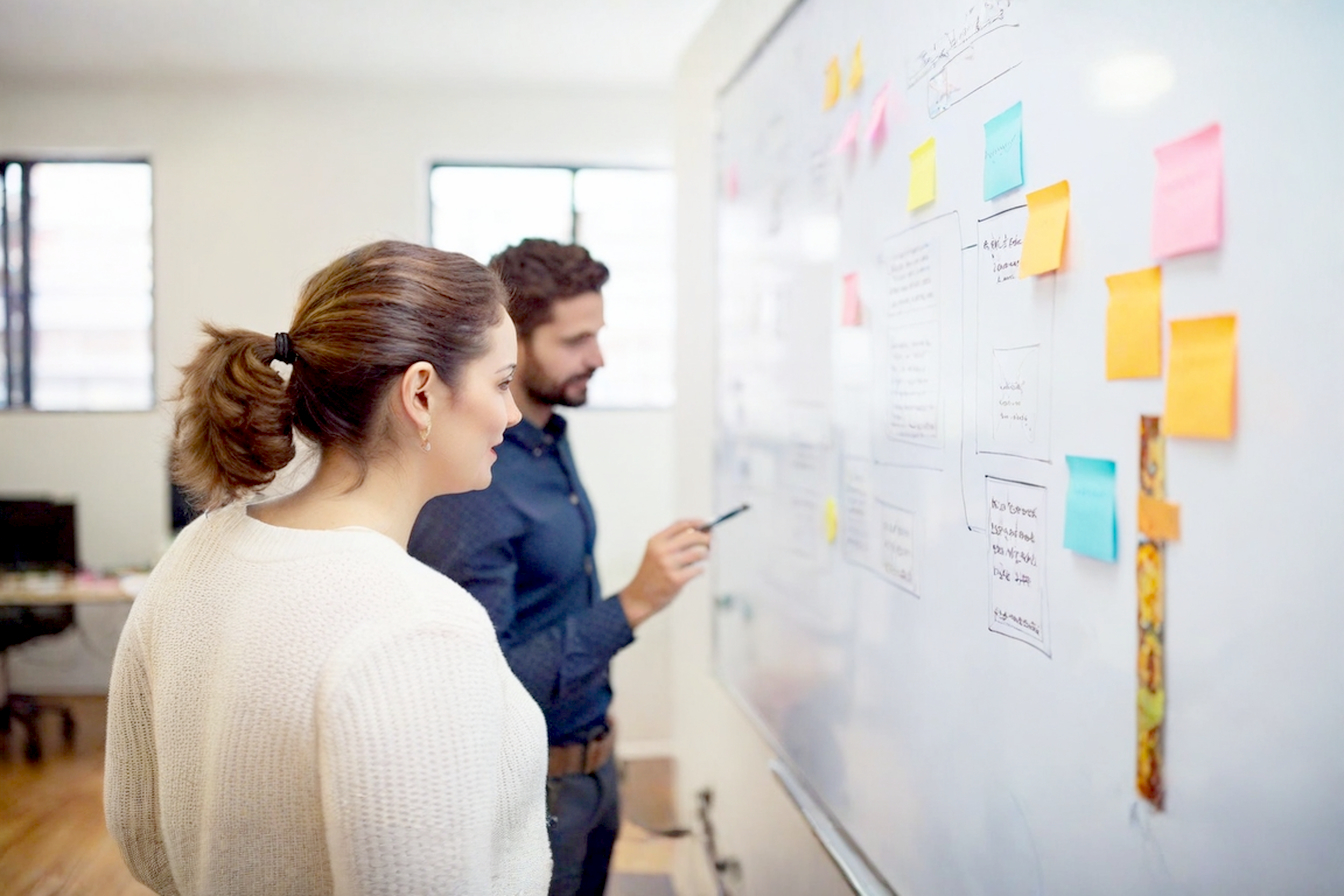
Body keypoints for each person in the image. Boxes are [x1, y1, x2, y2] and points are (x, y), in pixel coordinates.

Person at [104, 241, 551, 896]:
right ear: (421, 393)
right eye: (502, 382)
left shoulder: (197, 552)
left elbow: (146, 840)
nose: (512, 414)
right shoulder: (419, 629)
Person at [408, 238, 712, 896]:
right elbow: (485, 683)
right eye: (576, 341)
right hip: (531, 791)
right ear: (511, 343)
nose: (597, 358)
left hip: (592, 772)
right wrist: (634, 602)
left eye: (597, 335)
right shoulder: (475, 480)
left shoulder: (547, 440)